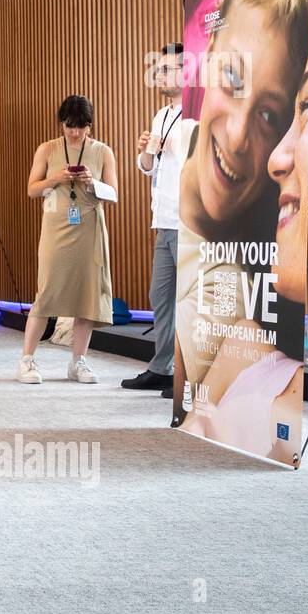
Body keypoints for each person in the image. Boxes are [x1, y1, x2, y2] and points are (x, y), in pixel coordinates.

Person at [174, 0, 308, 394]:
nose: (235, 137)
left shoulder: (244, 299)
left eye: (269, 116)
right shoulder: (181, 140)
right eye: (233, 80)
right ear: (208, 50)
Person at [179, 77, 308, 465]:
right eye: (230, 81)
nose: (275, 158)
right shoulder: (247, 337)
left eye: (305, 114)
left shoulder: (229, 284)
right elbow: (186, 433)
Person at [17, 95, 119, 383]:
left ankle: (78, 361)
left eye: (81, 127)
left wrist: (92, 183)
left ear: (90, 125)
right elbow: (32, 189)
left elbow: (114, 193)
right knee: (46, 292)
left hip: (89, 227)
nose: (75, 132)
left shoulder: (103, 152)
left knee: (87, 294)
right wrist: (55, 179)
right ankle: (27, 360)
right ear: (61, 124)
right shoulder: (48, 149)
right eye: (69, 126)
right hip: (55, 227)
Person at [122, 44, 191, 392]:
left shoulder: (198, 114)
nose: (160, 76)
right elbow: (149, 168)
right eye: (160, 69)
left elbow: (200, 161)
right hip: (162, 219)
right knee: (160, 297)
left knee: (188, 301)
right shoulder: (161, 114)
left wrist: (169, 147)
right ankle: (161, 366)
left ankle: (188, 374)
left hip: (189, 221)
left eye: (167, 69)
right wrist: (146, 151)